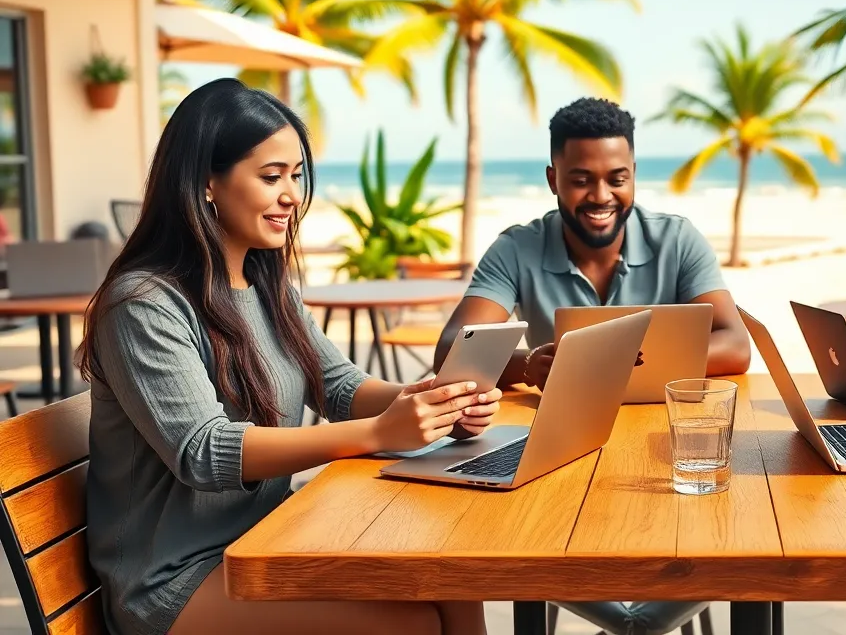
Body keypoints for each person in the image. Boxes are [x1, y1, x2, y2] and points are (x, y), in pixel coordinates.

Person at [79, 78, 502, 635]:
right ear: (207, 182)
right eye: (271, 176)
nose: (292, 196)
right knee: (414, 623)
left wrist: (430, 402)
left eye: (297, 175)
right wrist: (380, 433)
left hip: (264, 541)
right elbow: (203, 451)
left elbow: (342, 387)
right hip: (172, 582)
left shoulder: (267, 286)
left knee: (453, 583)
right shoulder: (143, 305)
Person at [433, 96, 751, 634]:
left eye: (617, 178)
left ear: (633, 177)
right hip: (563, 448)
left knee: (735, 535)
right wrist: (529, 365)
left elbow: (736, 344)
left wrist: (626, 362)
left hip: (667, 445)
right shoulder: (516, 248)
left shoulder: (677, 237)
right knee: (512, 541)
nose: (601, 196)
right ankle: (640, 621)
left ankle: (646, 618)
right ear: (553, 178)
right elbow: (452, 349)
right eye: (581, 179)